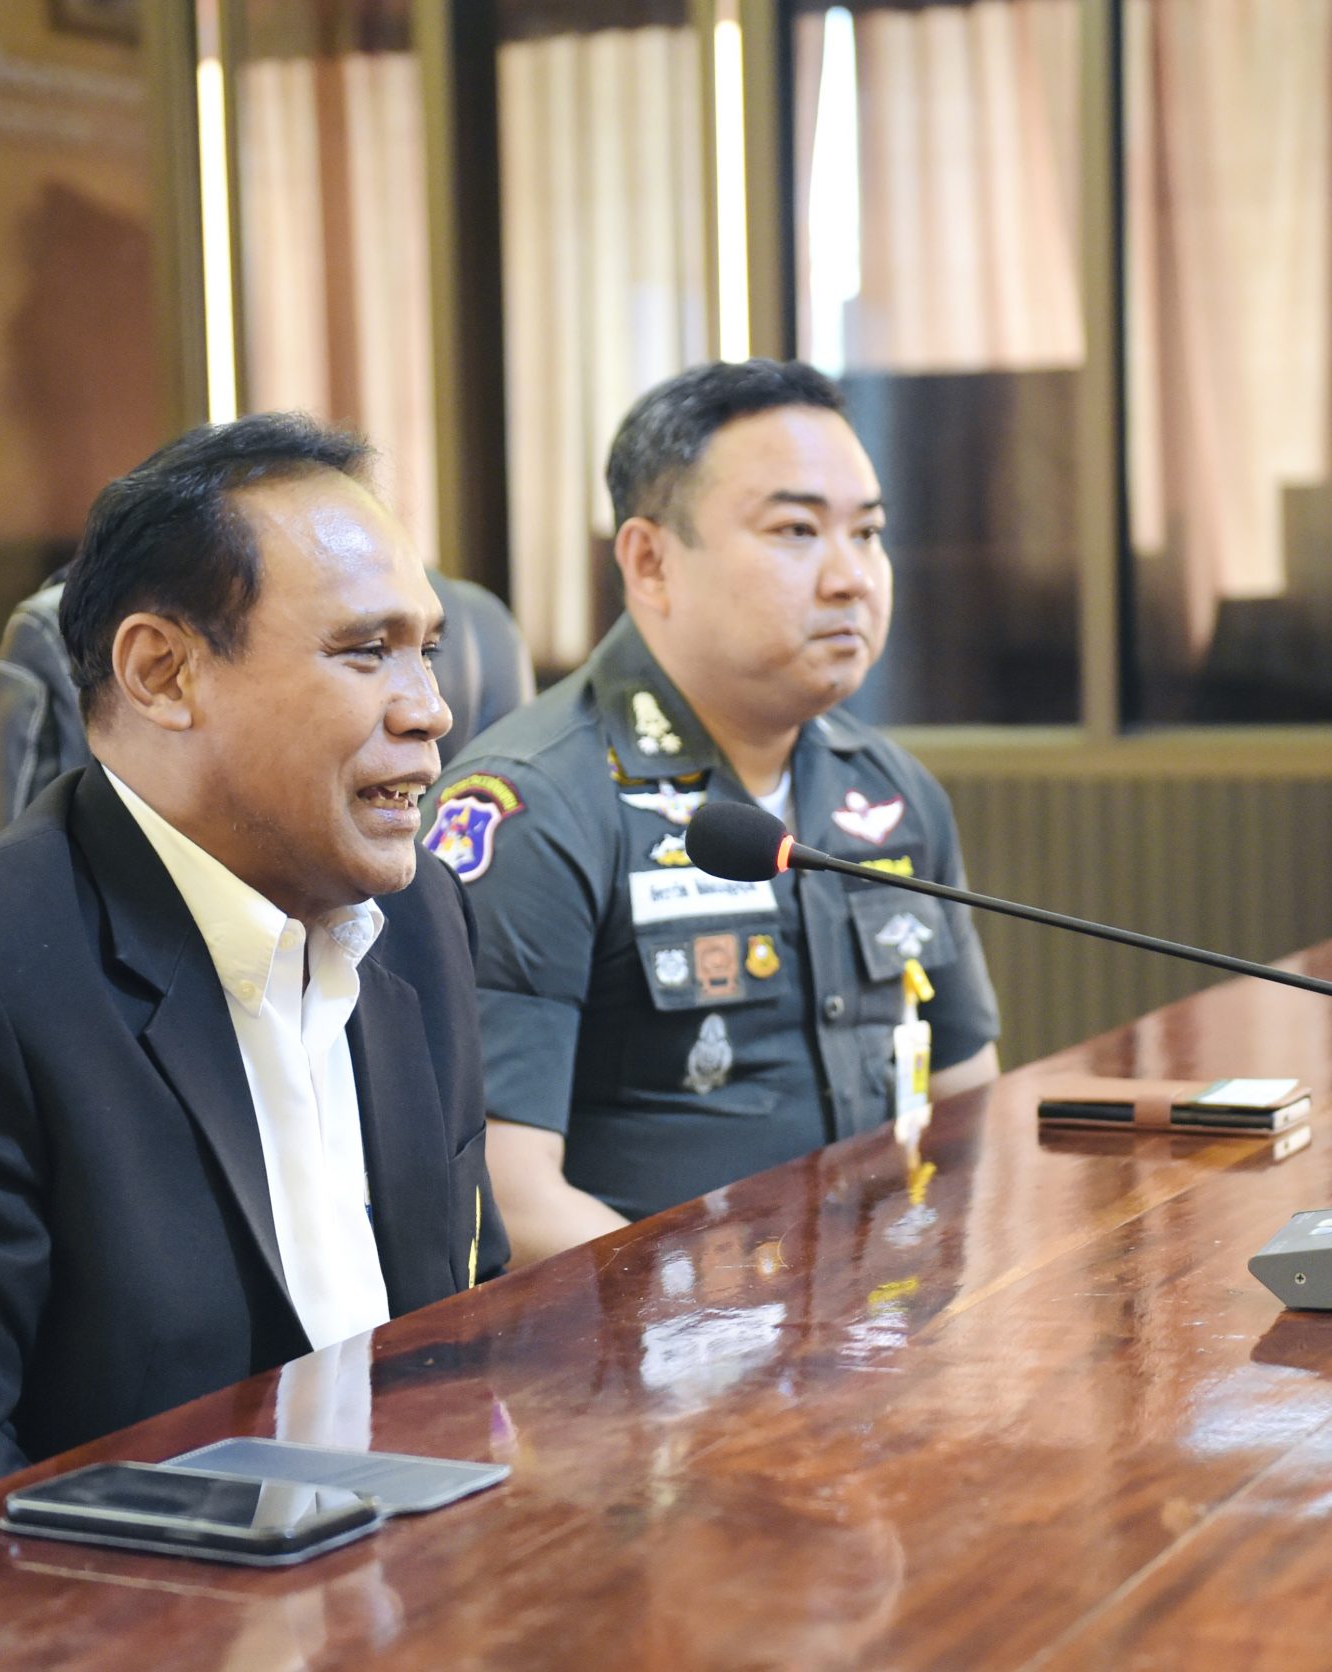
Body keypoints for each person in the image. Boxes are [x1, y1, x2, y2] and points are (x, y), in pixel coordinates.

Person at [0, 416, 506, 1559]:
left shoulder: (417, 920)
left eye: (426, 650)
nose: (428, 706)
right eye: (364, 651)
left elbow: (453, 1338)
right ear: (161, 673)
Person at [426, 360, 999, 1266]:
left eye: (868, 532)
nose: (852, 578)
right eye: (797, 530)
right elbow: (507, 1198)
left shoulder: (891, 792)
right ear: (651, 563)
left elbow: (968, 1098)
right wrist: (703, 1331)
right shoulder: (534, 807)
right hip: (647, 1337)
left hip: (881, 1305)